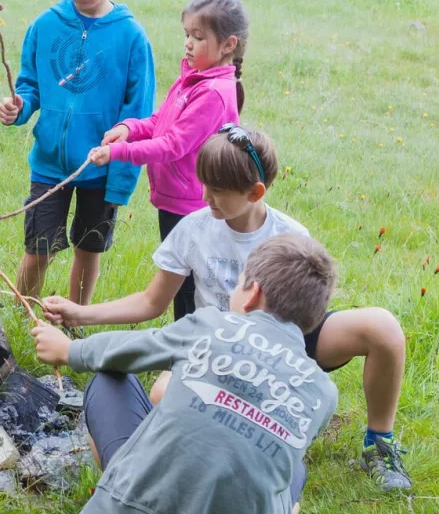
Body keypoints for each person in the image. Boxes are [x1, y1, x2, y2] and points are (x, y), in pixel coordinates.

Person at [43, 125, 414, 492]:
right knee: (160, 393)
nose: (205, 196)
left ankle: (379, 444)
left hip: (288, 342)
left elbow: (310, 310)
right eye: (203, 184)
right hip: (219, 348)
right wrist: (79, 313)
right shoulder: (193, 230)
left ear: (255, 192)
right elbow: (151, 302)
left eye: (217, 191)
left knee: (382, 327)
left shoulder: (290, 236)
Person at [31, 234, 340, 514]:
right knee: (292, 472)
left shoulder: (214, 324)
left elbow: (133, 348)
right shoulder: (323, 390)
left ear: (252, 293)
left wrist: (68, 351)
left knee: (107, 381)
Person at [0, 0, 154, 304]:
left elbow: (138, 116)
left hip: (99, 167)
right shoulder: (45, 25)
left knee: (89, 249)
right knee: (39, 248)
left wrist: (120, 181)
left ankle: (75, 318)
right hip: (49, 164)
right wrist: (18, 108)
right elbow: (29, 86)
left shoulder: (132, 37)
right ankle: (25, 316)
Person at [86, 0, 245, 320]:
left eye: (198, 37)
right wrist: (130, 128)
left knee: (188, 287)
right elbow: (161, 122)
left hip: (193, 204)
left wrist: (118, 152)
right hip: (175, 199)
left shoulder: (214, 92)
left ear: (229, 45)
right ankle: (182, 349)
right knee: (179, 280)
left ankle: (188, 353)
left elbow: (173, 144)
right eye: (187, 34)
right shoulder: (193, 78)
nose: (188, 43)